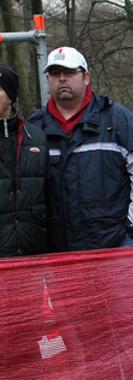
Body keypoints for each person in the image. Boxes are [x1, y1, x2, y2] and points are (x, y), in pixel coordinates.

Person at [28, 46, 133, 378]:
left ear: (85, 76)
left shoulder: (117, 120)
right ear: (47, 80)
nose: (62, 80)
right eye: (55, 74)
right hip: (64, 256)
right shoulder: (35, 129)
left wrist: (131, 230)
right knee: (84, 337)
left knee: (132, 331)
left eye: (70, 73)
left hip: (116, 250)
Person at [0, 64, 49, 378]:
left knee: (30, 338)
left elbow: (49, 192)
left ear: (10, 95)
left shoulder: (35, 136)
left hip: (30, 258)